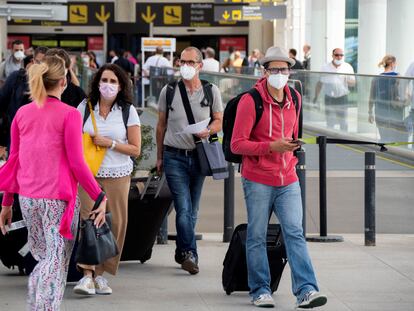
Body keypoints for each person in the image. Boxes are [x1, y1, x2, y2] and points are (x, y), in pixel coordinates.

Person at [0, 54, 107, 311]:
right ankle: (44, 308)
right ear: (63, 81)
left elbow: (13, 160)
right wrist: (99, 195)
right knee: (55, 259)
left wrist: (6, 202)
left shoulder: (22, 113)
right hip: (58, 200)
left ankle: (45, 304)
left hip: (27, 198)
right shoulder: (69, 115)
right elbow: (77, 163)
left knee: (44, 257)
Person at [231, 46, 327, 309]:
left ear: (290, 71)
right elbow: (237, 145)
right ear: (264, 72)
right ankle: (260, 290)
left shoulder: (295, 97)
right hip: (258, 178)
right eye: (274, 69)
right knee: (257, 236)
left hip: (288, 177)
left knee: (295, 233)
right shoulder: (251, 101)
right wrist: (270, 147)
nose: (279, 73)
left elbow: (293, 133)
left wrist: (290, 148)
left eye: (283, 69)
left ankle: (306, 290)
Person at [74, 63, 141, 295]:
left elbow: (136, 149)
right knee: (88, 222)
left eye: (113, 81)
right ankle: (87, 274)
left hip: (118, 174)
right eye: (105, 80)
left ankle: (102, 274)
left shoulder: (127, 111)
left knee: (116, 224)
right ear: (97, 82)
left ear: (121, 86)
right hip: (88, 176)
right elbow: (72, 142)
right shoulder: (84, 107)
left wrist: (110, 143)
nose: (108, 85)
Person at [156, 46, 223, 275]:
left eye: (190, 62)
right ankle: (190, 253)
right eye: (181, 62)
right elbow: (161, 125)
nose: (184, 66)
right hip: (174, 155)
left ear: (200, 66)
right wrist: (159, 156)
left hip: (199, 155)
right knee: (183, 208)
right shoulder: (169, 90)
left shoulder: (211, 90)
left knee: (193, 210)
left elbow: (218, 121)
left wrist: (209, 131)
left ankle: (182, 251)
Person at [0, 47, 48, 152]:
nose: (41, 66)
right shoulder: (17, 78)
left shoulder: (51, 83)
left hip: (42, 137)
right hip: (16, 134)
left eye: (45, 63)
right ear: (33, 60)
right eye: (39, 61)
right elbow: (2, 103)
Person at [313, 48, 355, 131]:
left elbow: (353, 83)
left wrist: (346, 79)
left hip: (342, 97)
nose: (339, 57)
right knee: (330, 121)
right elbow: (320, 83)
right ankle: (330, 141)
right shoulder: (325, 67)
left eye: (341, 55)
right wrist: (316, 97)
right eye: (336, 55)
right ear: (332, 56)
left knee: (343, 121)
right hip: (329, 98)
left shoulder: (347, 67)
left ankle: (343, 139)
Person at [369, 55, 406, 142]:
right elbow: (404, 94)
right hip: (395, 111)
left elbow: (371, 97)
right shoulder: (398, 77)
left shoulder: (376, 78)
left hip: (379, 111)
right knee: (395, 137)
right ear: (393, 64)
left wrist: (370, 112)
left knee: (384, 138)